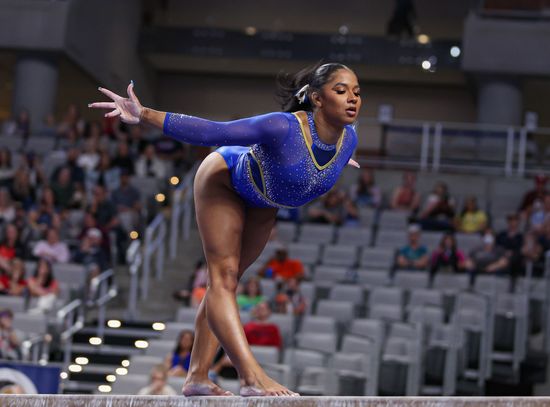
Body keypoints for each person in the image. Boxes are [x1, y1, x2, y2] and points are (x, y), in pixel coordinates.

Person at [90, 62, 361, 397]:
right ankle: (250, 376)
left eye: (357, 92)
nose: (352, 98)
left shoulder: (347, 140)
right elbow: (212, 132)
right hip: (226, 178)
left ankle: (197, 376)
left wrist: (329, 155)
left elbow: (313, 160)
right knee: (223, 278)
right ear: (318, 99)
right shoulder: (282, 127)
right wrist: (143, 114)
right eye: (341, 90)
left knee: (226, 285)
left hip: (264, 199)